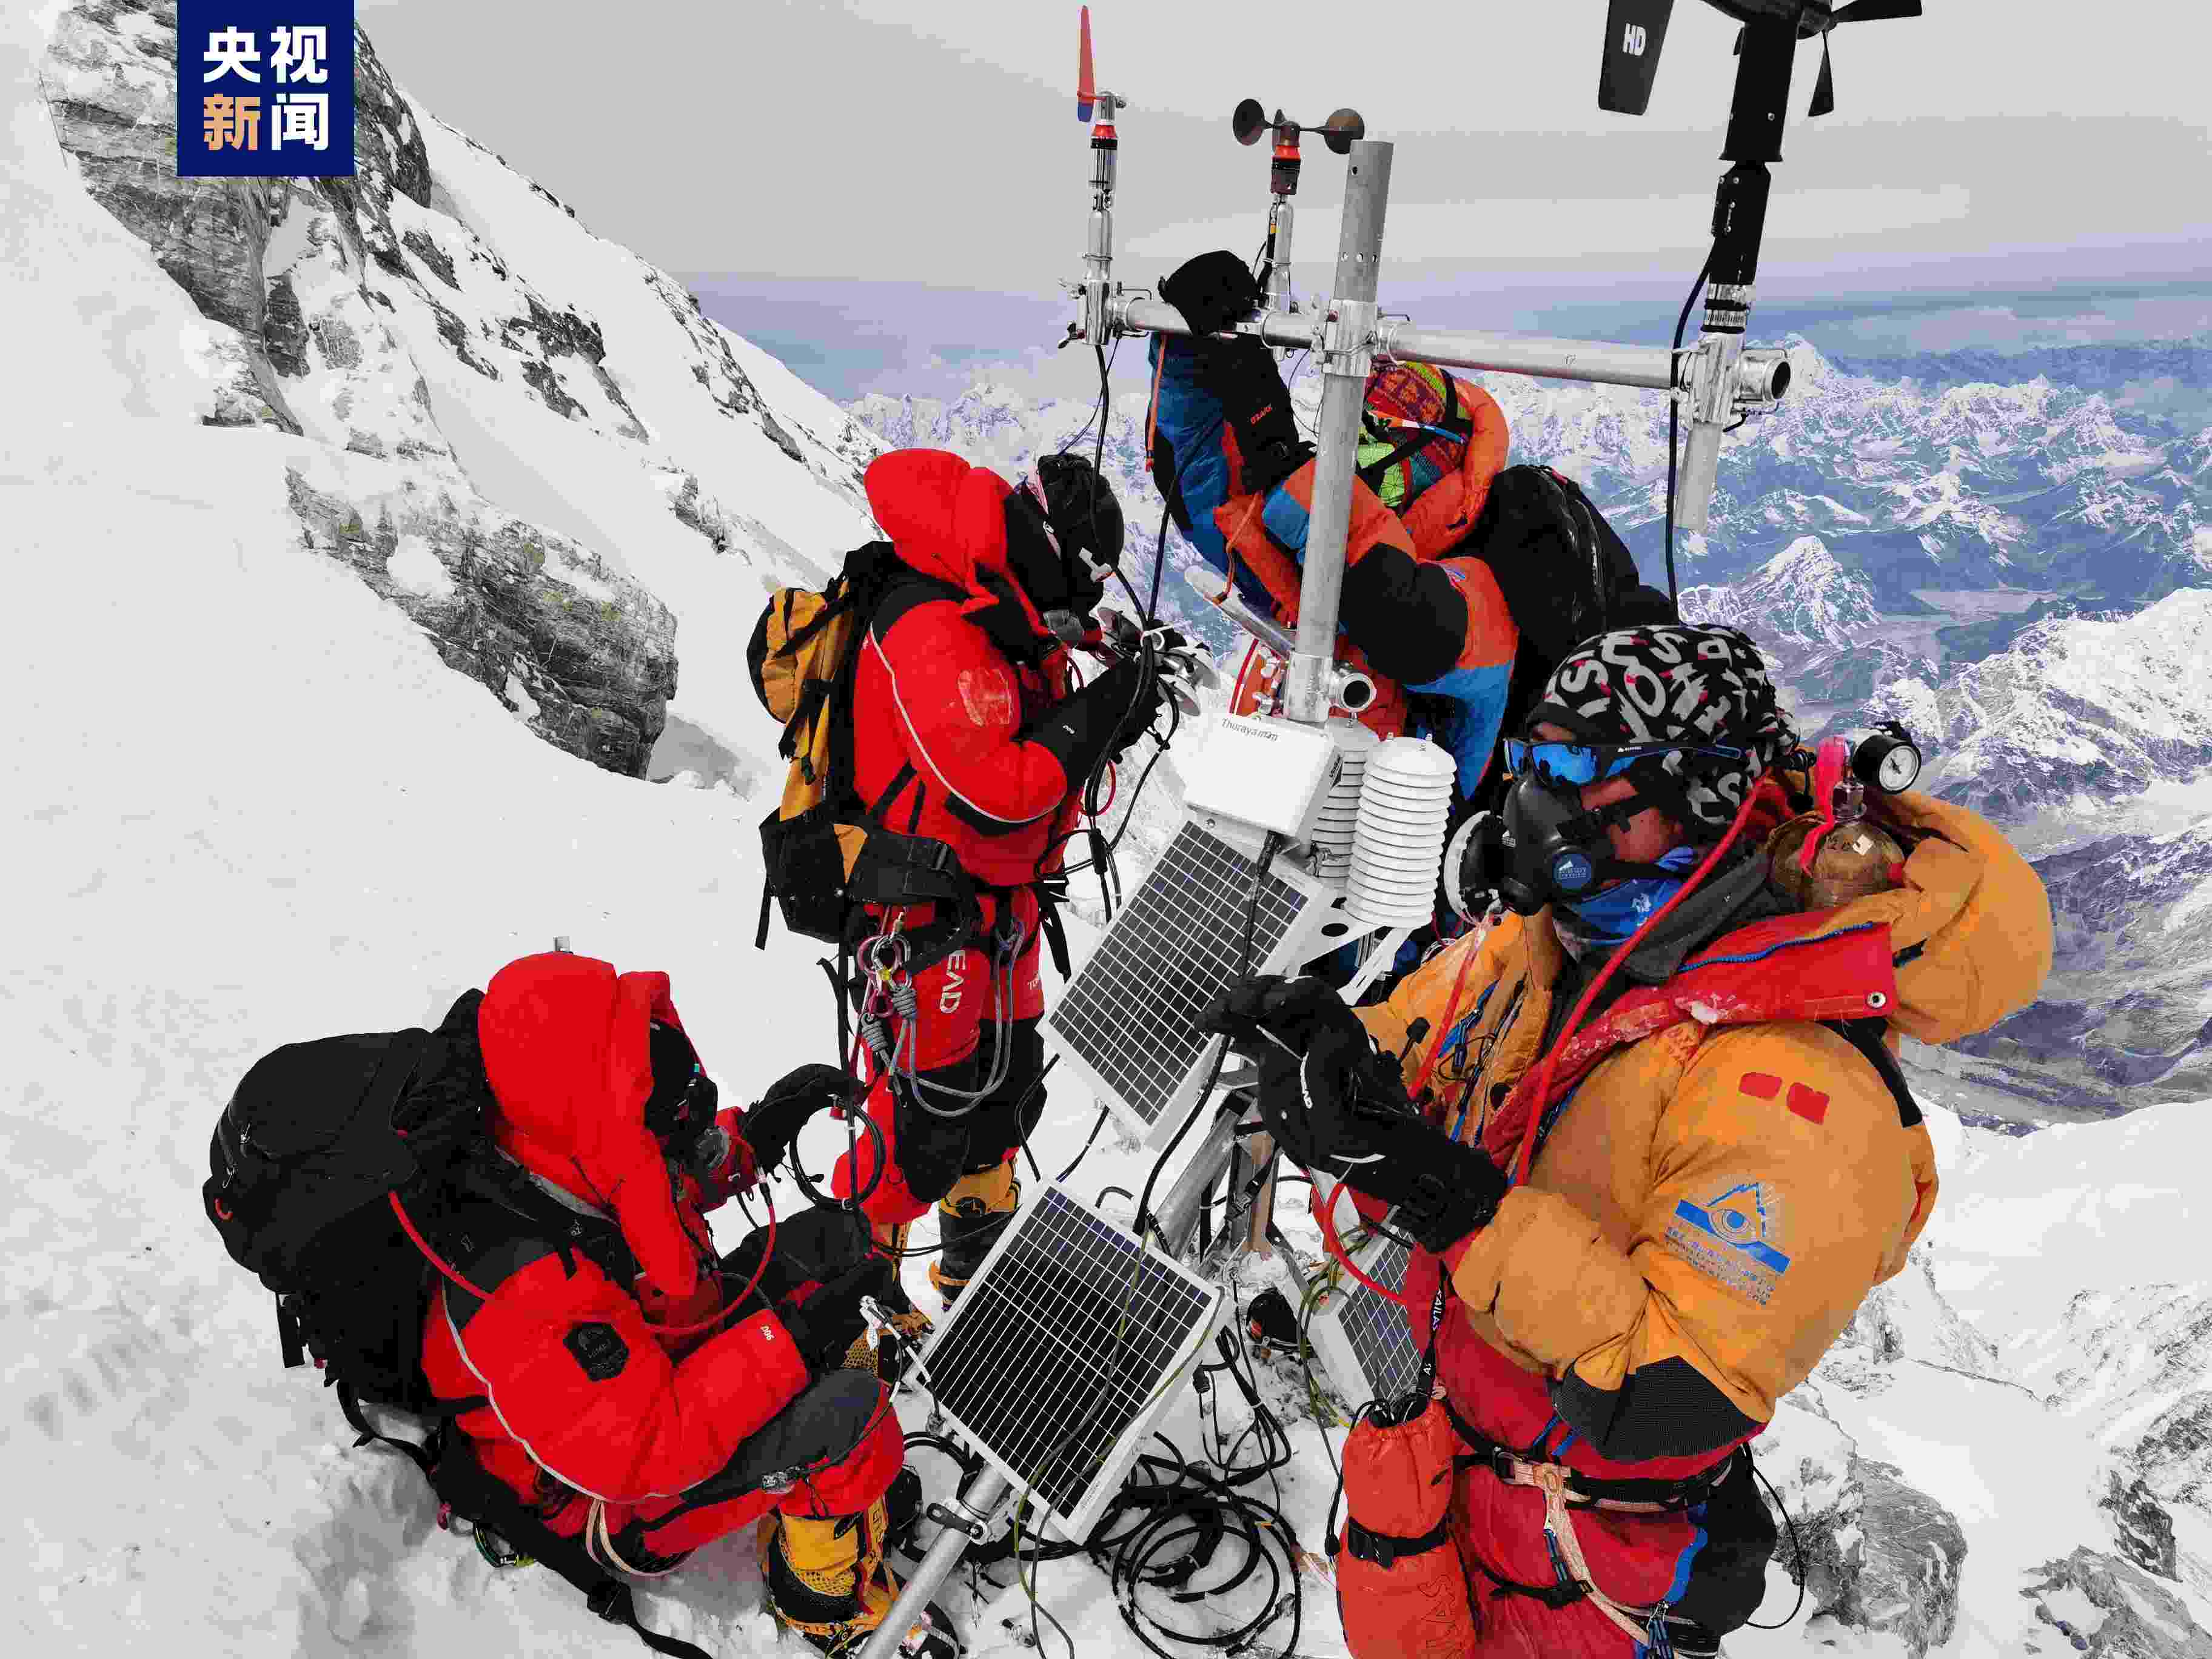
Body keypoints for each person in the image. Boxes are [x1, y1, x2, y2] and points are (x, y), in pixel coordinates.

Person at [1204, 622, 2053, 1658]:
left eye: (1576, 774)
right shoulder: (1557, 940)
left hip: (1587, 1567)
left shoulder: (1799, 1083)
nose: (1534, 802)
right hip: (1457, 1480)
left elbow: (1668, 1393)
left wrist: (1439, 1193)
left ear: (1696, 796)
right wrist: (1336, 1055)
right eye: (1532, 762)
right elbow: (1424, 1051)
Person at [417, 950, 945, 1655]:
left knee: (834, 1243)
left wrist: (759, 1133)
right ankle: (818, 1598)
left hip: (659, 1360)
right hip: (611, 1503)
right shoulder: (521, 1284)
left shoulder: (558, 1149)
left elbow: (656, 1184)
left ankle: (837, 1486)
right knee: (852, 1417)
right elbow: (645, 1453)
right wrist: (785, 1341)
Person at [828, 447, 1183, 1302]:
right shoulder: (927, 620)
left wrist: (1115, 666)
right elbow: (993, 792)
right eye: (1079, 590)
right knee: (920, 1129)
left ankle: (970, 1282)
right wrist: (1109, 707)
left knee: (1004, 1100)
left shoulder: (999, 603)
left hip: (1000, 910)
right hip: (921, 919)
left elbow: (1036, 660)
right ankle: (850, 1308)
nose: (1079, 611)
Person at [1146, 249, 1667, 809]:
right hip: (1303, 819)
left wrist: (1293, 474)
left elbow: (1408, 628)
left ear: (1442, 456)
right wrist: (1196, 351)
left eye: (1380, 448)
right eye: (1351, 445)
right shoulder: (1349, 545)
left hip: (1416, 848)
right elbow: (1215, 503)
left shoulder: (1498, 567)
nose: (1359, 469)